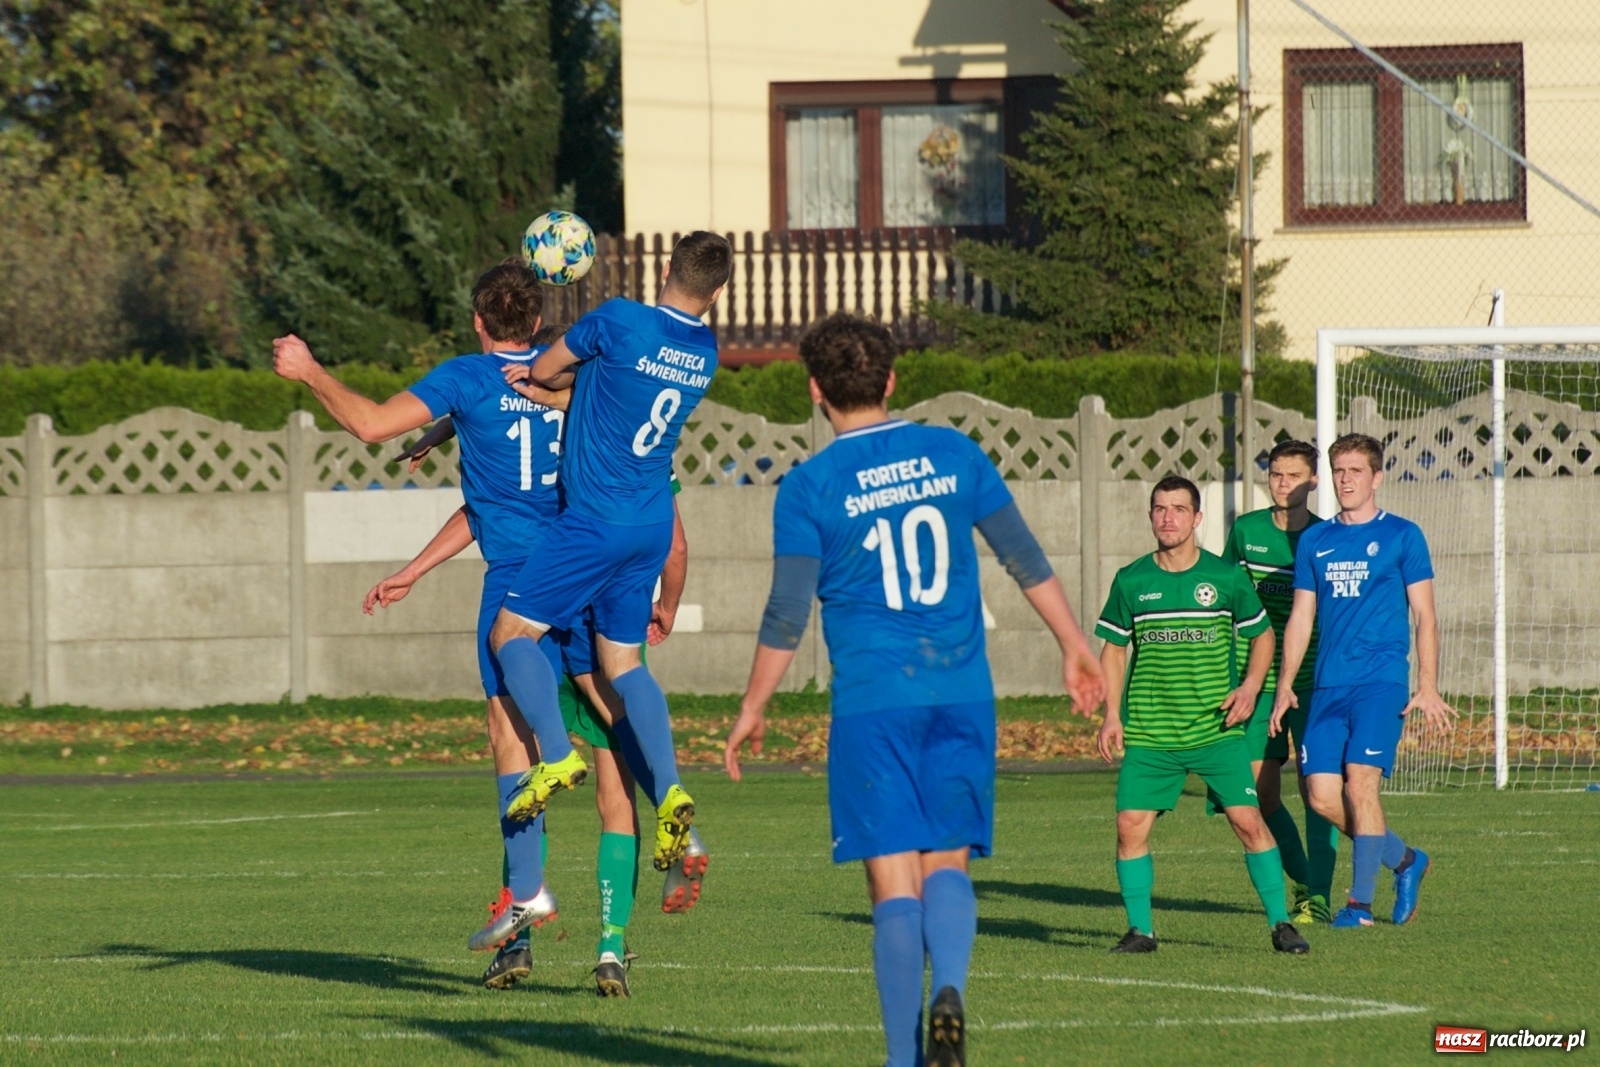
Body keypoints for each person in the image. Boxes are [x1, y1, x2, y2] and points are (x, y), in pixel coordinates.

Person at [723, 313, 1104, 1067]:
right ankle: (950, 991)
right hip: (960, 692)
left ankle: (904, 1058)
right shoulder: (955, 454)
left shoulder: (808, 487)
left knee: (893, 881)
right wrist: (1074, 645)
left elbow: (787, 610)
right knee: (948, 865)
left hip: (874, 702)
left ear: (815, 391)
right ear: (893, 380)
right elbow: (1023, 556)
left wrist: (754, 704)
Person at [272, 264, 574, 977]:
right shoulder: (570, 376)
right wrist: (414, 567)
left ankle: (525, 904)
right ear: (535, 324)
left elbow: (370, 423)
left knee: (512, 741)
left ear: (477, 322)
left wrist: (311, 370)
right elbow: (490, 502)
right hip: (584, 570)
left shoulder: (468, 377)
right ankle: (601, 941)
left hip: (517, 585)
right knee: (593, 753)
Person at [491, 231, 733, 877]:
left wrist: (549, 374)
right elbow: (604, 400)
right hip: (652, 521)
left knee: (509, 631)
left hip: (596, 518)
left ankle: (555, 753)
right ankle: (673, 788)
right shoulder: (704, 351)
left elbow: (543, 370)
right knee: (622, 665)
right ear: (717, 293)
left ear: (663, 268)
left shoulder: (619, 318)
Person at [1095, 475, 1310, 957]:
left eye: (1178, 508)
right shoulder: (1131, 580)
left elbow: (1263, 635)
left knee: (1250, 822)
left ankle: (1281, 925)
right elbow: (1112, 649)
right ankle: (1141, 932)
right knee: (1130, 825)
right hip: (1151, 734)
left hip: (1216, 731)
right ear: (1150, 516)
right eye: (1159, 508)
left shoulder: (1227, 578)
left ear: (1197, 519)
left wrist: (1252, 687)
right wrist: (1112, 713)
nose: (1167, 517)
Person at [1272, 433, 1456, 928]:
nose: (1346, 479)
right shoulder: (1316, 540)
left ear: (1376, 477)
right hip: (1327, 686)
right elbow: (1301, 618)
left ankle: (1358, 905)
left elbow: (1425, 616)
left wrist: (1429, 683)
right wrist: (1286, 682)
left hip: (1381, 683)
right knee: (1321, 796)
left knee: (1360, 786)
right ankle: (1406, 861)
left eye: (1355, 470)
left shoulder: (1402, 535)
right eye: (1339, 471)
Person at [1220, 440, 1341, 924]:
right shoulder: (1246, 531)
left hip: (1314, 680)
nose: (1282, 483)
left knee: (1319, 790)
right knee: (1261, 794)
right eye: (1275, 474)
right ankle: (1305, 881)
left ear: (1314, 481)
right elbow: (1226, 598)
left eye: (1293, 475)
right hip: (1257, 678)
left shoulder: (1326, 537)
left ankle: (1320, 895)